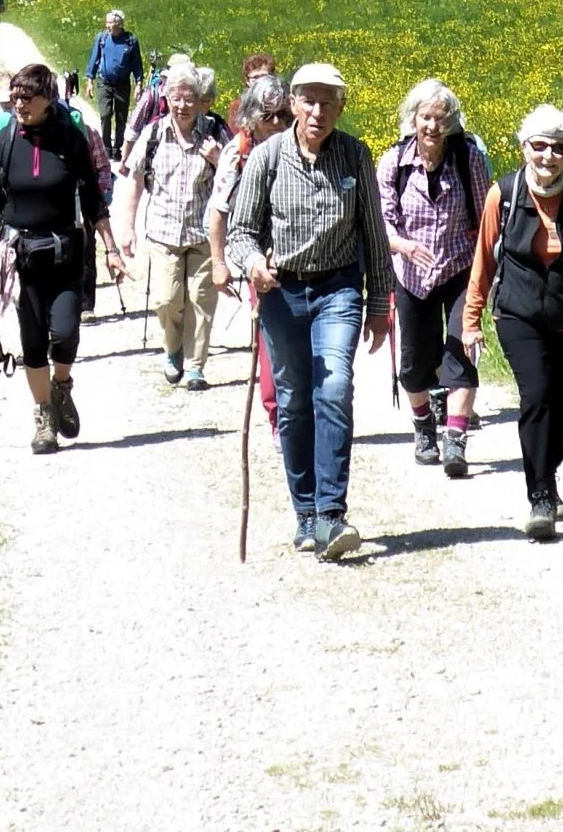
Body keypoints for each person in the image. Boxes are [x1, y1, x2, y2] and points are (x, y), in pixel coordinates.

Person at [227, 61, 392, 561]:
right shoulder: (267, 157)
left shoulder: (354, 154)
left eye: (329, 102)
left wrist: (381, 303)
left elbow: (374, 235)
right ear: (294, 104)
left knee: (335, 387)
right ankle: (305, 514)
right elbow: (240, 232)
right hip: (281, 293)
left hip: (338, 288)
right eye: (309, 101)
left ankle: (331, 514)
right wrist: (254, 264)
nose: (318, 111)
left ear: (341, 107)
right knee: (296, 397)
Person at [463, 105, 563, 541]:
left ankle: (548, 480)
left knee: (560, 404)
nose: (548, 156)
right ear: (524, 148)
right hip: (518, 315)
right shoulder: (505, 193)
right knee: (537, 395)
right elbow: (482, 259)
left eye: (559, 148)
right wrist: (471, 319)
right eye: (539, 146)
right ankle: (538, 496)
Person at [0, 61, 125, 453]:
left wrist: (111, 250)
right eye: (15, 97)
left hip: (67, 253)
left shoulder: (71, 139)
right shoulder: (3, 143)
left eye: (26, 97)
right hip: (23, 258)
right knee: (33, 343)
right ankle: (43, 418)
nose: (18, 104)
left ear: (47, 98)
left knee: (66, 333)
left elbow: (93, 201)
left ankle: (61, 386)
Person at [377, 80, 491, 477]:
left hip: (460, 269)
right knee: (413, 363)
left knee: (461, 350)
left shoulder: (468, 159)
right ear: (413, 119)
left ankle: (455, 441)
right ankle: (424, 427)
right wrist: (404, 246)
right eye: (425, 117)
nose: (432, 126)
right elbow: (382, 222)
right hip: (410, 274)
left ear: (451, 123)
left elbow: (485, 218)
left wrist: (485, 271)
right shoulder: (393, 162)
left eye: (440, 119)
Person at [120, 62, 221, 386]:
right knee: (167, 299)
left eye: (189, 98)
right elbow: (135, 182)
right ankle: (173, 349)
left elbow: (240, 179)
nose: (182, 105)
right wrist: (128, 227)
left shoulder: (216, 133)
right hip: (163, 233)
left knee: (200, 301)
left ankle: (195, 366)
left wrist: (219, 160)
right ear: (166, 98)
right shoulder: (153, 134)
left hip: (204, 233)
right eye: (176, 98)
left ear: (199, 99)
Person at [207, 72, 289, 436]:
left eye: (283, 115)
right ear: (251, 117)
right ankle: (278, 418)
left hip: (308, 258)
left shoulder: (304, 146)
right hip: (260, 260)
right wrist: (220, 263)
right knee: (272, 340)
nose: (276, 123)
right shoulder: (238, 153)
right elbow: (219, 210)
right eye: (267, 116)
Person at [85, 9, 144, 161]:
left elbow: (137, 63)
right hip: (104, 82)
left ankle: (117, 148)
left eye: (111, 23)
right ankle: (105, 148)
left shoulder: (130, 40)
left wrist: (139, 83)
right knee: (105, 115)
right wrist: (89, 80)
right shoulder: (102, 38)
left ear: (120, 24)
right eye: (107, 23)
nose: (108, 26)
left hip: (122, 84)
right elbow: (94, 59)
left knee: (121, 117)